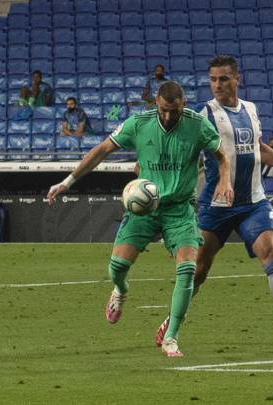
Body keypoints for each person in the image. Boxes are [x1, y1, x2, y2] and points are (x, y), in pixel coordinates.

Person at [47, 81, 233, 357]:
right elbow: (101, 150)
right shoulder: (138, 122)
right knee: (117, 268)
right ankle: (120, 290)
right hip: (144, 209)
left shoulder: (197, 123)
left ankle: (171, 336)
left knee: (187, 269)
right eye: (165, 110)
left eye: (176, 111)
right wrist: (68, 182)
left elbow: (222, 156)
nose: (170, 117)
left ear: (183, 105)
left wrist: (225, 181)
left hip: (180, 208)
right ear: (156, 102)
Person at [154, 55, 273, 349]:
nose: (217, 85)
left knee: (269, 249)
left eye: (223, 79)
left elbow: (258, 149)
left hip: (252, 202)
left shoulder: (251, 110)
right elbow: (184, 154)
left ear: (237, 79)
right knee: (199, 269)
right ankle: (171, 322)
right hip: (214, 206)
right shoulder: (203, 114)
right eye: (213, 80)